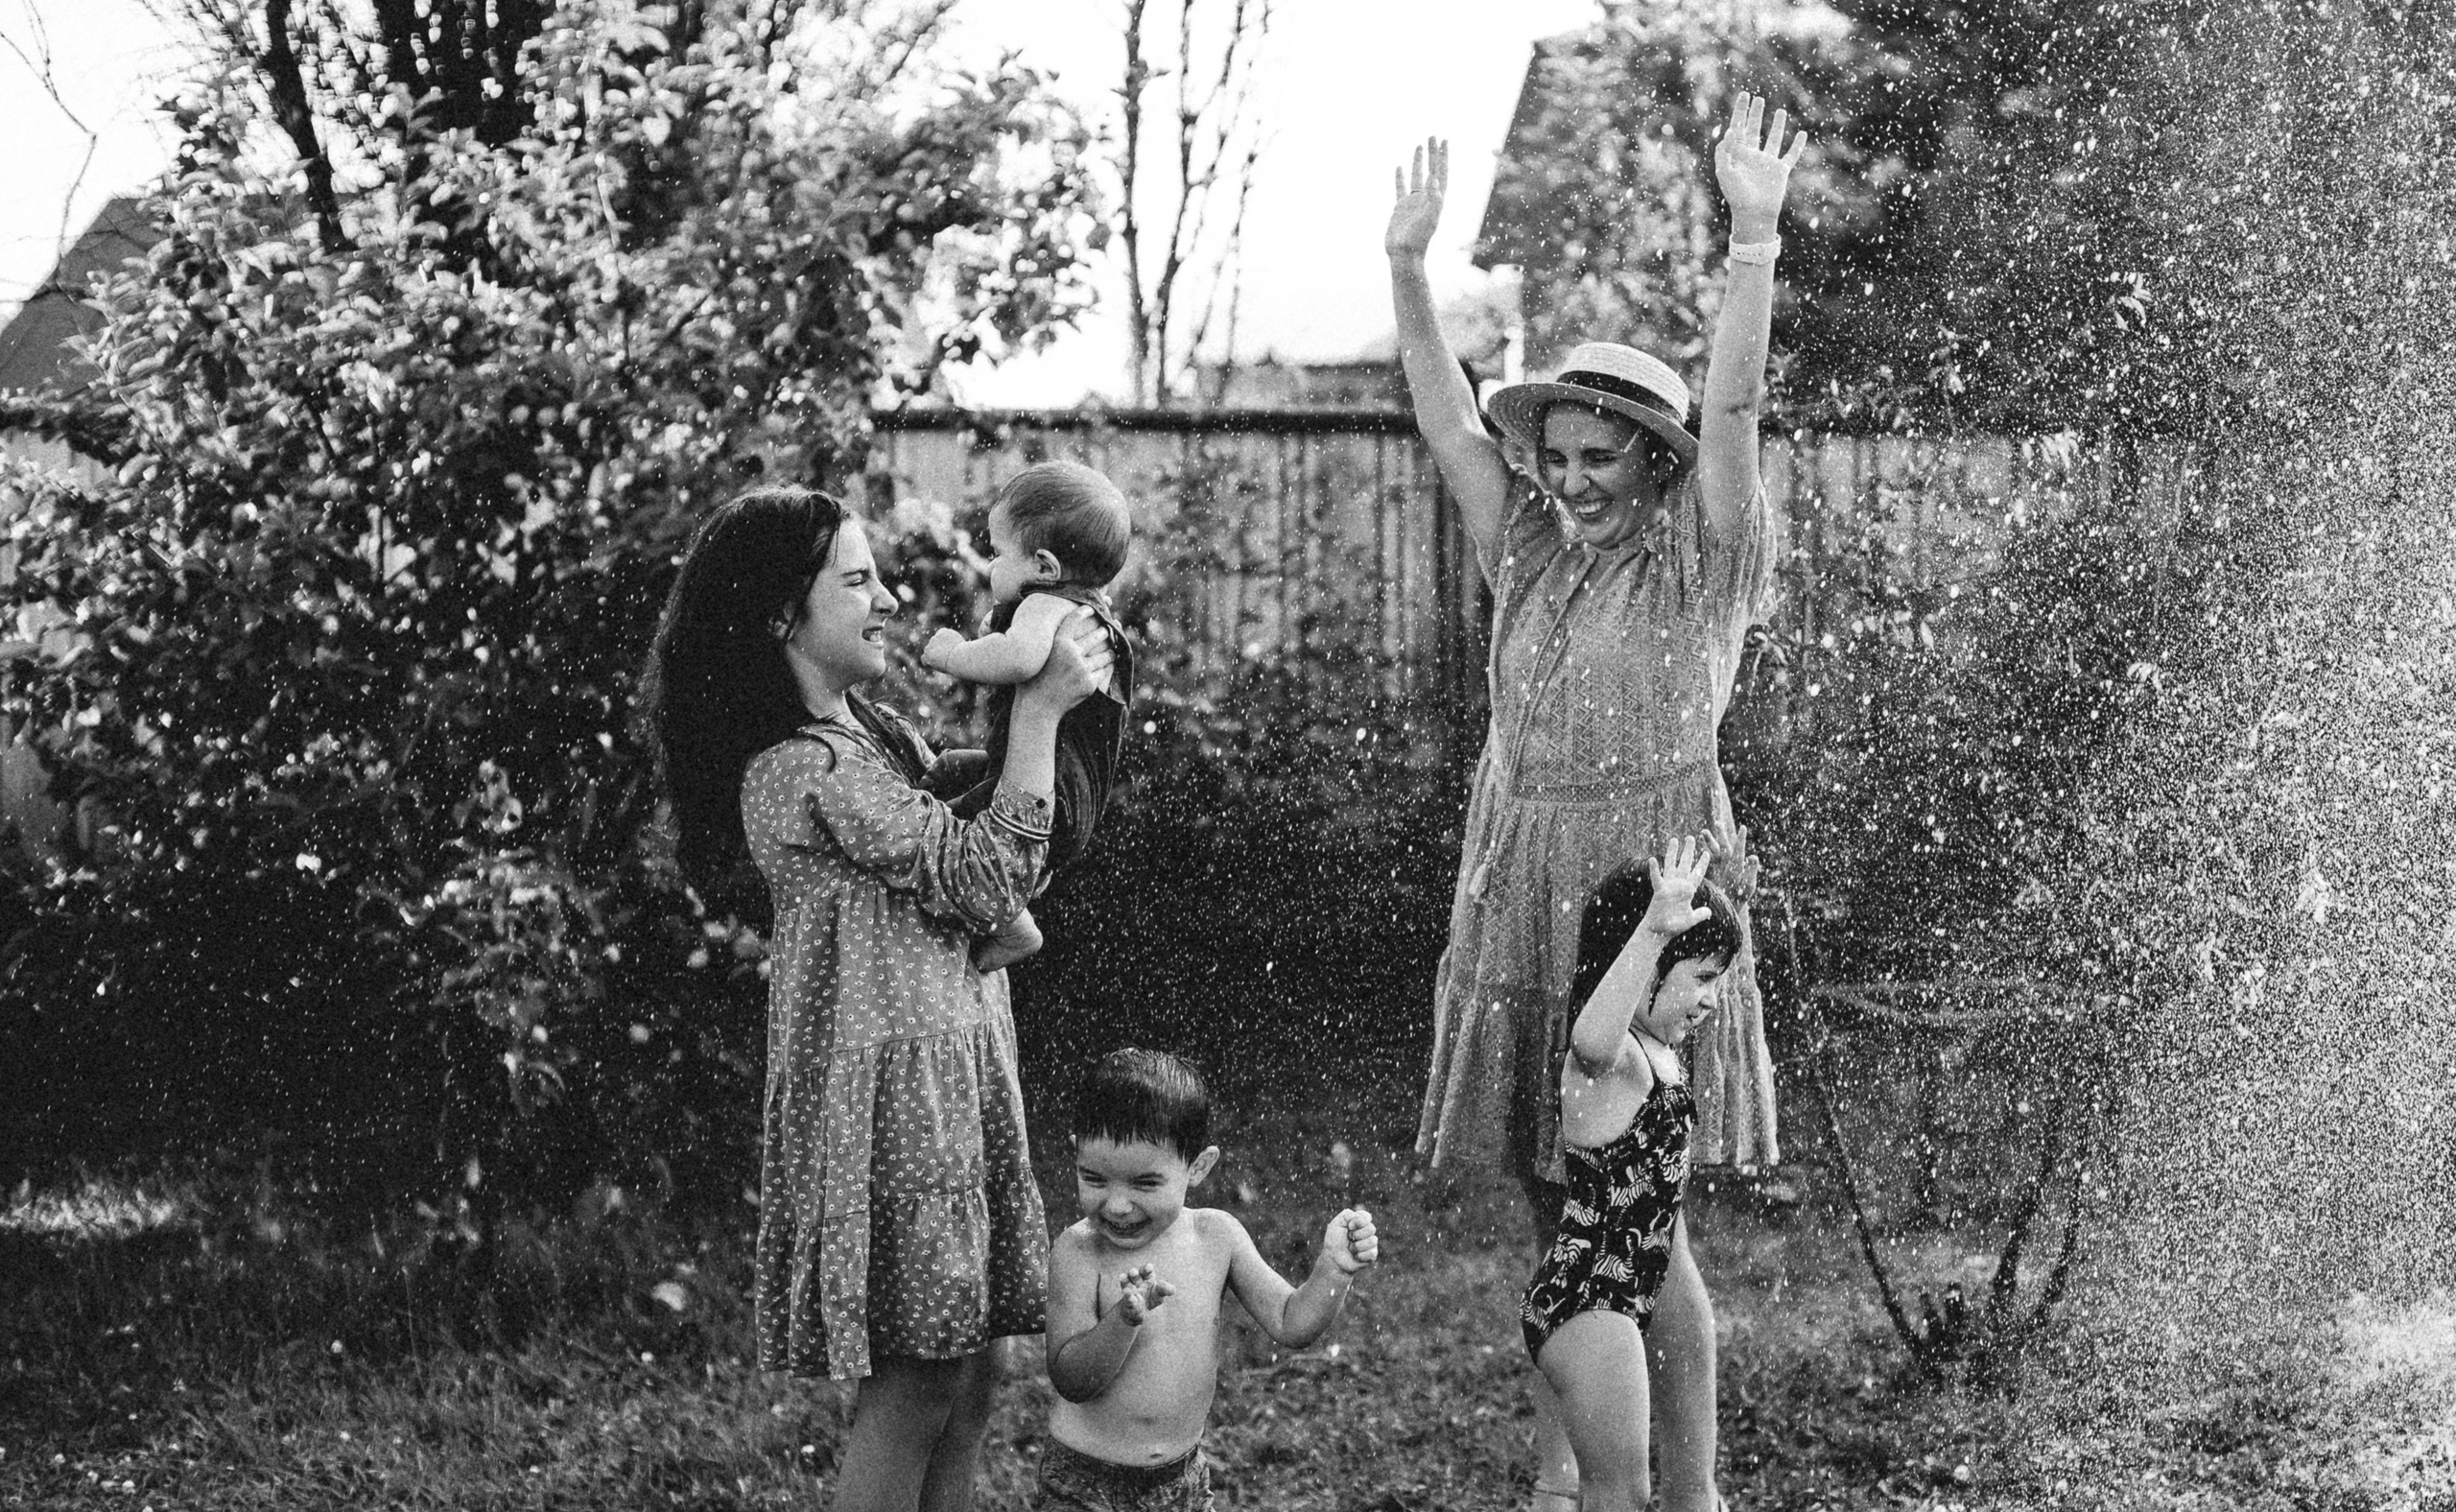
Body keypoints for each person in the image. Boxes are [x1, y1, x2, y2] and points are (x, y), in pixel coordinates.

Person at [1386, 91, 1806, 1512]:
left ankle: (1685, 1495)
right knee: (1556, 1194)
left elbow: (1735, 408)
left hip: (1649, 879)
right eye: (1556, 457)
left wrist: (1752, 235)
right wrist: (1406, 268)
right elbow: (1449, 422)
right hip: (1522, 862)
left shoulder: (1705, 557)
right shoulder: (1530, 550)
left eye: (1600, 459)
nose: (1569, 483)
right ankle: (1563, 1472)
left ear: (1658, 462)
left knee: (1640, 1208)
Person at [640, 484, 1115, 1512]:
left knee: (972, 1370)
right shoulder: (800, 769)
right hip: (891, 1103)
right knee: (917, 1379)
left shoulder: (869, 732)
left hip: (951, 1071)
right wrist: (1039, 714)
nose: (890, 599)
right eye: (858, 581)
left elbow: (971, 808)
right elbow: (984, 875)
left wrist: (1068, 721)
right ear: (781, 616)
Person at [1036, 1048, 1380, 1512]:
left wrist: (1333, 1269)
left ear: (1197, 1166)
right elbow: (1071, 1380)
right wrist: (1122, 1322)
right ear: (1077, 1152)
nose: (1116, 1204)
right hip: (1086, 1482)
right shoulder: (1078, 1252)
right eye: (1094, 1179)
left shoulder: (1217, 1238)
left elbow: (1290, 1321)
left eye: (1145, 1183)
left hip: (1182, 1481)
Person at [1523, 838, 1741, 1512]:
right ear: (1639, 961)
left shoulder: (1657, 1050)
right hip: (1590, 1299)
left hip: (1625, 1290)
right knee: (1618, 1493)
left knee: (1639, 1490)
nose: (1713, 999)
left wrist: (1728, 905)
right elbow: (1592, 1039)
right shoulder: (1609, 1060)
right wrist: (1652, 930)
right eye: (1702, 978)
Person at [923, 461, 1137, 975]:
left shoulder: (1045, 605)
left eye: (998, 554)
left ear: (1044, 566)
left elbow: (1016, 659)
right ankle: (1013, 882)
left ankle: (1012, 924)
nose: (991, 566)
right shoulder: (1086, 610)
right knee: (953, 766)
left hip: (1044, 799)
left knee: (945, 834)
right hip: (1067, 797)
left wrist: (953, 654)